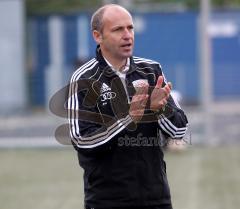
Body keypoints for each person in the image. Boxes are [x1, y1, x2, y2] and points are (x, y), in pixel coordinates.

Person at [67, 4, 188, 209]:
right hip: (107, 201)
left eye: (130, 28)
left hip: (156, 199)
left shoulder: (151, 70)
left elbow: (179, 130)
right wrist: (128, 118)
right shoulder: (84, 79)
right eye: (117, 29)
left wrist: (159, 110)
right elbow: (83, 141)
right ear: (98, 36)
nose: (127, 35)